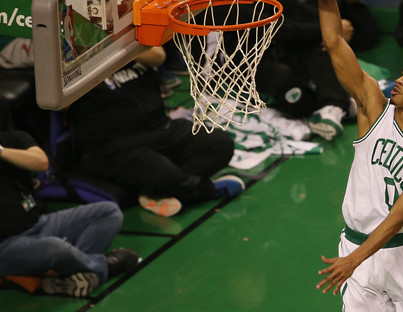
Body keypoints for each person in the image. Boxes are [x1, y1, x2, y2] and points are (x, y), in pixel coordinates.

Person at [315, 0, 403, 310]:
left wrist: (353, 260)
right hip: (355, 246)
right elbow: (334, 42)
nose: (400, 81)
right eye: (402, 74)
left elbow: (399, 215)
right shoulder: (373, 110)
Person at [68, 46, 245, 217]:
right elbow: (60, 105)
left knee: (219, 143)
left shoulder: (123, 40)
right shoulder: (70, 57)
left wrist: (114, 44)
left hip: (159, 128)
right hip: (116, 146)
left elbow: (158, 56)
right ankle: (206, 190)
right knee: (164, 174)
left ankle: (160, 189)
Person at [230, 0, 354, 141]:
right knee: (300, 102)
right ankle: (337, 103)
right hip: (245, 69)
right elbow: (279, 28)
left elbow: (290, 6)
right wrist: (328, 29)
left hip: (276, 51)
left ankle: (331, 107)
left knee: (324, 45)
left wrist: (332, 25)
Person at [0, 129, 139, 297]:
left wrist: (2, 151)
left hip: (40, 223)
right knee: (55, 248)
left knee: (109, 212)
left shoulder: (11, 138)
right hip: (7, 245)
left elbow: (41, 162)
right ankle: (104, 267)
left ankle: (74, 272)